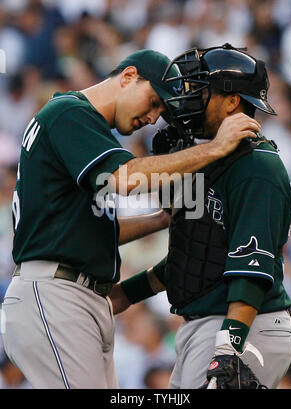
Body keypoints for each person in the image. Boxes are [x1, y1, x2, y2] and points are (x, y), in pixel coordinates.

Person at [0, 48, 258, 389]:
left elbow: (92, 229)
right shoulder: (69, 112)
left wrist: (161, 219)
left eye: (159, 111)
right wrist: (214, 148)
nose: (152, 118)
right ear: (128, 76)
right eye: (153, 101)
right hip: (54, 294)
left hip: (74, 294)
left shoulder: (84, 130)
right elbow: (122, 178)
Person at [111, 44, 291, 389]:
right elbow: (193, 261)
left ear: (232, 101)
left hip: (245, 325)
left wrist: (228, 350)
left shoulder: (258, 166)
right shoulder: (209, 160)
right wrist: (124, 295)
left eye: (201, 90)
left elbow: (251, 267)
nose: (188, 99)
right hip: (206, 324)